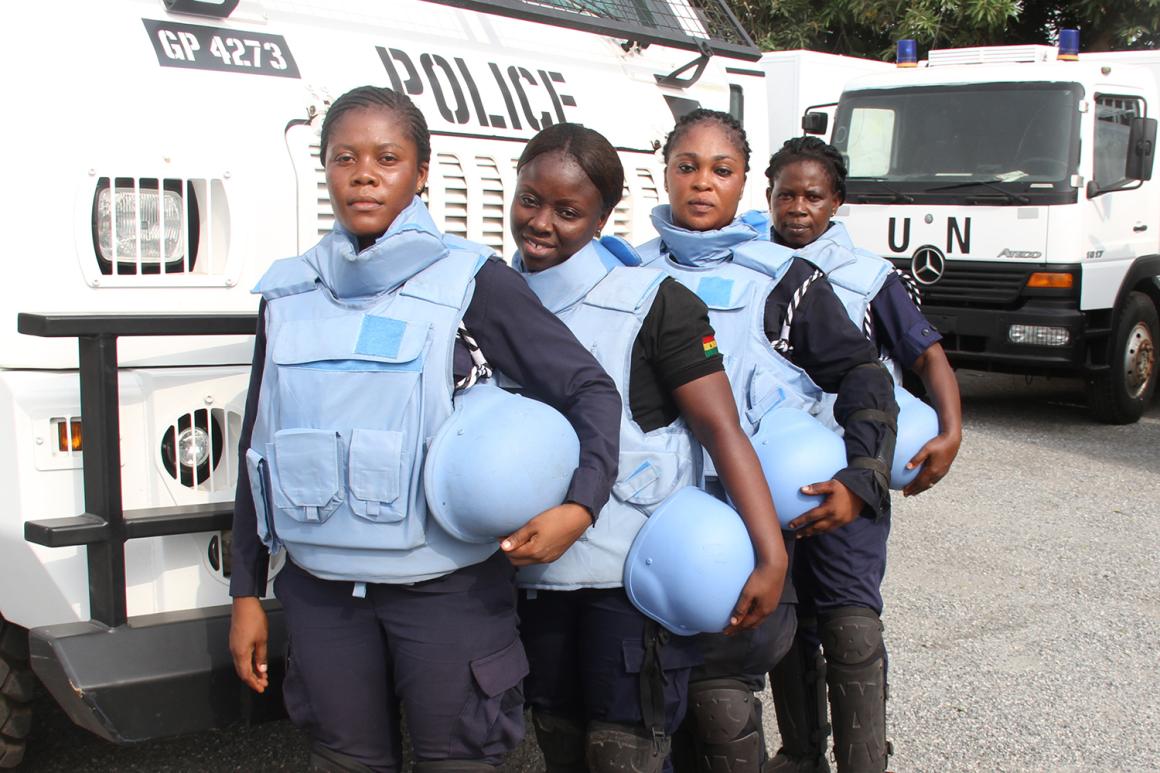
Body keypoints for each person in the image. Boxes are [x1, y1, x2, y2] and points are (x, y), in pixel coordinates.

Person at [226, 86, 622, 773]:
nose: (364, 173)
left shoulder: (472, 281)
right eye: (344, 157)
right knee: (344, 760)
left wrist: (579, 505)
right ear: (325, 169)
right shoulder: (287, 294)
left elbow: (590, 389)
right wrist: (245, 592)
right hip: (322, 595)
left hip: (447, 591)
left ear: (421, 172)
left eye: (387, 156)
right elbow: (257, 446)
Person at [508, 122, 788, 773]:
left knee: (624, 752)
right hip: (534, 578)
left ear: (603, 216)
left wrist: (769, 554)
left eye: (568, 210)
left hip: (632, 580)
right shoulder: (491, 299)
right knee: (558, 739)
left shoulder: (658, 304)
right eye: (530, 200)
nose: (542, 222)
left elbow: (724, 431)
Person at [637, 109, 898, 773]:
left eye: (721, 170)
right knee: (644, 714)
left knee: (723, 702)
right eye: (687, 166)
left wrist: (861, 473)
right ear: (663, 172)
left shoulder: (782, 280)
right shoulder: (627, 275)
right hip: (646, 522)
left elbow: (863, 372)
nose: (702, 183)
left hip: (743, 524)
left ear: (744, 181)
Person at [762, 136, 962, 773]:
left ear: (836, 203)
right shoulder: (750, 266)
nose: (798, 207)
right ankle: (800, 753)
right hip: (775, 473)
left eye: (812, 196)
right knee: (787, 618)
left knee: (849, 615)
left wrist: (950, 431)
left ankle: (864, 758)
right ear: (767, 198)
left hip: (855, 467)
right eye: (786, 194)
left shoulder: (869, 276)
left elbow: (926, 354)